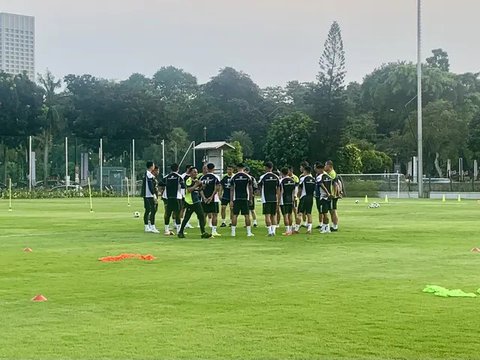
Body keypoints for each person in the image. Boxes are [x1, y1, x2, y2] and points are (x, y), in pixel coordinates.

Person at [177, 167, 211, 239]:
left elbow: (199, 189)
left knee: (201, 216)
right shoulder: (188, 180)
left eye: (197, 172)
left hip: (196, 200)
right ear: (190, 173)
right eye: (194, 172)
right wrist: (196, 184)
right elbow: (189, 190)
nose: (196, 173)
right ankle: (181, 232)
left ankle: (203, 232)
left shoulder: (196, 180)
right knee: (187, 217)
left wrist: (202, 186)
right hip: (190, 202)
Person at [230, 163, 254, 237]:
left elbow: (231, 189)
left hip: (236, 198)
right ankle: (248, 232)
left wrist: (231, 200)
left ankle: (233, 232)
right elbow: (250, 189)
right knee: (247, 215)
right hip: (245, 198)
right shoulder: (248, 176)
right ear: (243, 168)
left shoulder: (233, 177)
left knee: (235, 215)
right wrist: (250, 199)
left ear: (237, 168)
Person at [258, 161, 280, 236]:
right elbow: (278, 189)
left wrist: (261, 193)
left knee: (267, 215)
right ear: (272, 168)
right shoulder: (276, 177)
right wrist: (278, 199)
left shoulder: (263, 177)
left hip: (266, 199)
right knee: (273, 215)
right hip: (274, 198)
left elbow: (259, 186)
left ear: (266, 168)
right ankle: (273, 231)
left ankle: (269, 232)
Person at [162, 163, 184, 235]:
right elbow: (183, 186)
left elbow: (160, 183)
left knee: (167, 214)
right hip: (177, 197)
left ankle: (166, 230)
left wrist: (165, 189)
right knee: (177, 214)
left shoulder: (166, 177)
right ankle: (178, 231)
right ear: (178, 169)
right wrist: (183, 196)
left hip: (169, 198)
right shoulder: (179, 176)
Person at [201, 163, 222, 237]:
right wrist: (211, 197)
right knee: (214, 215)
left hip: (204, 199)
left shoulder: (202, 177)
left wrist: (204, 198)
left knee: (204, 215)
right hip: (214, 199)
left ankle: (202, 231)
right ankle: (214, 231)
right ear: (213, 168)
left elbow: (200, 189)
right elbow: (217, 188)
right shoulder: (216, 177)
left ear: (207, 168)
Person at [294, 165, 316, 234]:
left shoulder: (303, 178)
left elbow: (300, 188)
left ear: (305, 171)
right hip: (310, 197)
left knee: (300, 213)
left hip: (304, 197)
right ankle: (309, 229)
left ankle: (296, 229)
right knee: (309, 213)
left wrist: (298, 196)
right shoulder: (313, 179)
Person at [141, 161, 159, 233]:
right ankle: (152, 226)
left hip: (146, 195)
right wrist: (153, 194)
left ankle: (147, 227)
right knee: (153, 210)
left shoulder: (146, 174)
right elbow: (150, 185)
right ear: (151, 166)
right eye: (153, 165)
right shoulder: (149, 174)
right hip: (149, 195)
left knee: (148, 210)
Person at [279, 167, 296, 236]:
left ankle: (287, 230)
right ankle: (291, 230)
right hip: (290, 199)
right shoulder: (292, 180)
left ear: (281, 173)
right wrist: (292, 199)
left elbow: (281, 192)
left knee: (285, 215)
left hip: (284, 199)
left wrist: (278, 201)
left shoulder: (281, 181)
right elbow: (293, 191)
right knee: (290, 214)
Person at [315, 163, 331, 233]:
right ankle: (325, 227)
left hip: (323, 197)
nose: (317, 171)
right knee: (325, 212)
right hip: (328, 197)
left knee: (324, 213)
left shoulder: (320, 176)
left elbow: (321, 185)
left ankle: (326, 228)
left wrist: (327, 193)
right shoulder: (328, 176)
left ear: (320, 169)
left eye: (317, 169)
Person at [325, 160, 340, 232]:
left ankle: (335, 226)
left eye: (326, 165)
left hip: (332, 195)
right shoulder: (329, 173)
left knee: (333, 210)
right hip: (331, 195)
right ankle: (334, 225)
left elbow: (335, 184)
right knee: (331, 211)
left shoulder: (332, 174)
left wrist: (334, 194)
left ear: (329, 166)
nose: (325, 167)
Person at [179, 165, 194, 229]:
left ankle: (187, 222)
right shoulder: (183, 176)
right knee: (182, 208)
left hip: (190, 195)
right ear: (187, 169)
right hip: (184, 194)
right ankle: (181, 222)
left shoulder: (191, 176)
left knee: (188, 209)